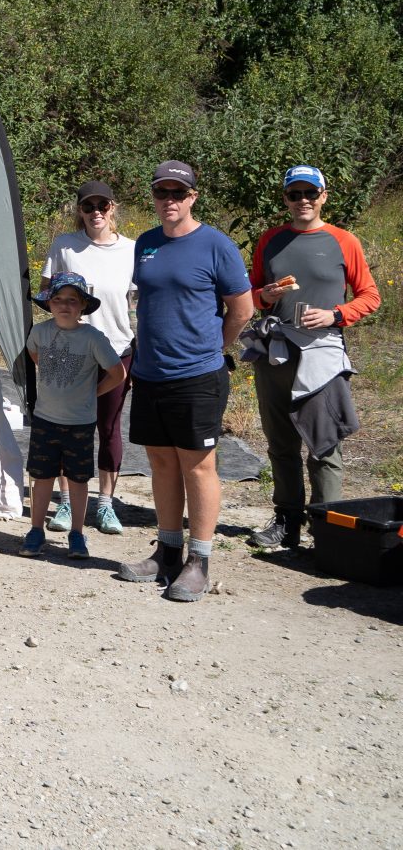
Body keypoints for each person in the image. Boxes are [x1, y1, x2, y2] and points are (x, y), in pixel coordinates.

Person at [117, 161, 253, 603]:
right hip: (150, 372)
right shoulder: (147, 244)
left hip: (197, 374)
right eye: (162, 193)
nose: (169, 201)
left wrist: (215, 349)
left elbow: (242, 309)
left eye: (178, 193)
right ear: (153, 197)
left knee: (198, 465)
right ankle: (167, 551)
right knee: (160, 461)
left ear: (193, 196)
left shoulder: (216, 245)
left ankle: (199, 561)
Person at [245, 165, 380, 551]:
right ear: (285, 199)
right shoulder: (271, 240)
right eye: (294, 194)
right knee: (280, 442)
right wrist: (264, 297)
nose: (302, 201)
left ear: (323, 196)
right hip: (276, 352)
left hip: (322, 352)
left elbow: (370, 295)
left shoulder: (343, 240)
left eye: (310, 193)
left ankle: (328, 530)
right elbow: (252, 293)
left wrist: (335, 315)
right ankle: (286, 520)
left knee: (324, 444)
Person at [39, 179, 137, 535]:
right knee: (68, 426)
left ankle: (106, 503)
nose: (96, 212)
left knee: (108, 427)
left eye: (103, 206)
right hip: (71, 351)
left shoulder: (132, 249)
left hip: (116, 349)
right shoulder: (65, 245)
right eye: (88, 206)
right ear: (78, 211)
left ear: (113, 207)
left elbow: (138, 301)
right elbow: (45, 291)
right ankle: (66, 502)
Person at [22, 273, 126, 559]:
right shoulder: (39, 332)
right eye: (58, 300)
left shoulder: (93, 338)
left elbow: (118, 373)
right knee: (41, 478)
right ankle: (35, 531)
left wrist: (92, 393)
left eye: (72, 300)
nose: (64, 306)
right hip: (45, 419)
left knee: (78, 480)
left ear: (82, 306)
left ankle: (77, 534)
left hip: (80, 423)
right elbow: (35, 355)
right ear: (49, 304)